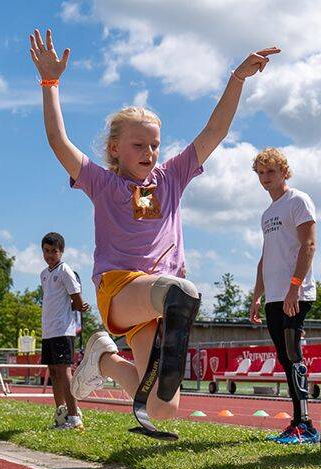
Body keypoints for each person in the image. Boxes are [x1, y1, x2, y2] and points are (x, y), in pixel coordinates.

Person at [30, 28, 279, 426]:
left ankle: (105, 360)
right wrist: (50, 83)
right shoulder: (103, 182)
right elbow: (59, 141)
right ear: (115, 149)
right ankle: (153, 315)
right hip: (122, 288)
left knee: (164, 408)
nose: (149, 152)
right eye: (138, 145)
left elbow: (214, 132)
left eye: (154, 145)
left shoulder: (171, 178)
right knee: (177, 290)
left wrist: (237, 79)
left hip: (160, 304)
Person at [249, 148, 319, 444]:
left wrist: (294, 286)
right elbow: (265, 259)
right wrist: (256, 297)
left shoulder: (298, 200)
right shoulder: (267, 214)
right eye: (261, 173)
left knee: (293, 353)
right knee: (284, 356)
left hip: (296, 293)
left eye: (271, 172)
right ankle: (297, 423)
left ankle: (305, 425)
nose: (266, 178)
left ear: (284, 172)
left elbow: (309, 245)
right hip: (275, 297)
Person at [39, 232, 88, 430]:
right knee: (53, 372)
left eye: (54, 251)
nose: (50, 255)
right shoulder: (44, 274)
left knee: (64, 371)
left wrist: (78, 306)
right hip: (48, 330)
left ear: (62, 252)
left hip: (63, 329)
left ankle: (75, 417)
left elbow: (77, 301)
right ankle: (61, 413)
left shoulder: (65, 270)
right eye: (47, 251)